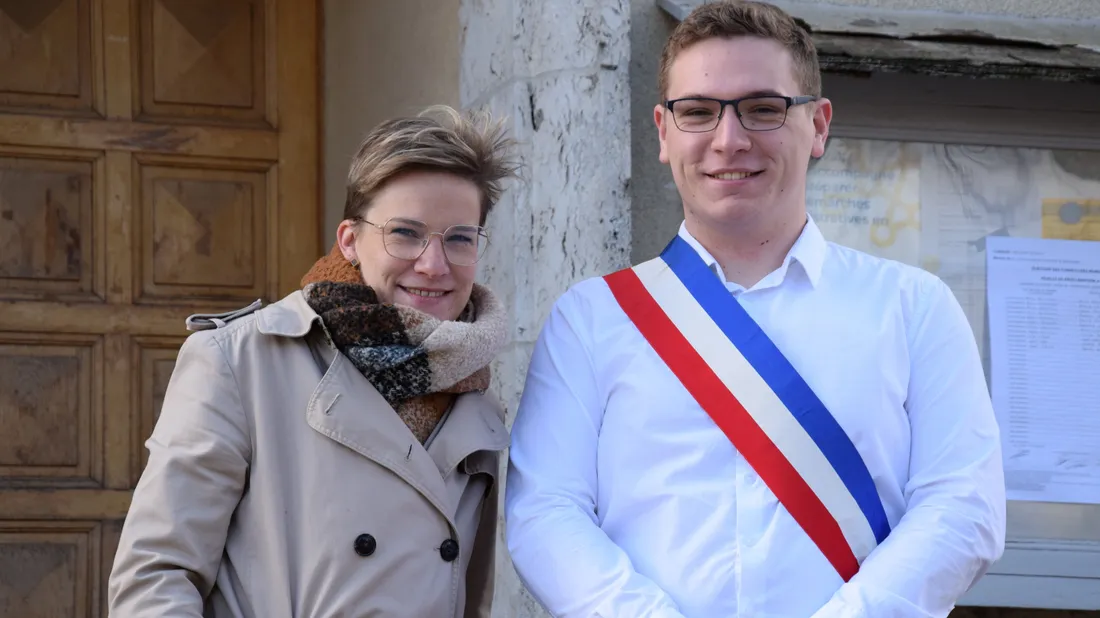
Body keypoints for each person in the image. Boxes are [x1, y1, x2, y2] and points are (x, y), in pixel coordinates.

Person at [504, 2, 1006, 617]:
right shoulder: (590, 319)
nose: (729, 139)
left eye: (764, 109)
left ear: (818, 125)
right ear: (663, 132)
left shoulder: (913, 308)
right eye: (697, 112)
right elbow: (545, 513)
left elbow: (962, 506)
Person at [108, 105, 520, 617]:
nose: (433, 265)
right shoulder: (240, 361)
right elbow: (156, 577)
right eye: (406, 233)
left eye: (459, 238)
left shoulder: (475, 394)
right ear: (350, 240)